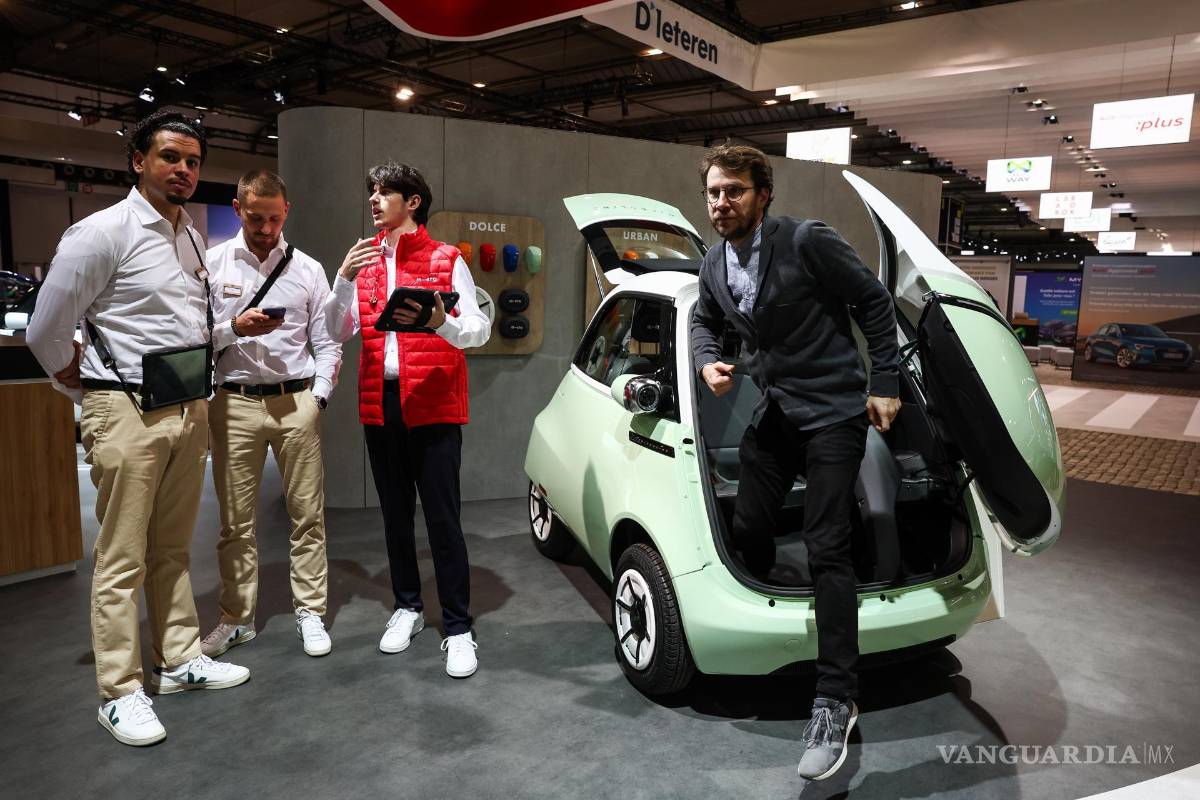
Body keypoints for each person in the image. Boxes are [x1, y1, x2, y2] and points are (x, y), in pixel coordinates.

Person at [26, 111, 250, 747]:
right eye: (170, 157)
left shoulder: (191, 238)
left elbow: (186, 328)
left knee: (173, 547)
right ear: (138, 160)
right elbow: (46, 330)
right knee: (122, 557)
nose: (183, 170)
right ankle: (120, 691)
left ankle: (178, 660)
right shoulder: (100, 234)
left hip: (187, 405)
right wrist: (81, 384)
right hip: (125, 409)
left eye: (193, 161)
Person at [689, 144, 901, 781]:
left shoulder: (807, 241)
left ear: (764, 194)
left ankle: (837, 698)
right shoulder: (713, 262)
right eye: (713, 193)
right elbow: (703, 321)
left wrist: (884, 380)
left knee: (826, 543)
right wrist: (706, 359)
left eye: (734, 192)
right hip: (777, 410)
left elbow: (873, 303)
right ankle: (765, 608)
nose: (721, 203)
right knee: (749, 520)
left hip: (835, 410)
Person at [324, 162, 490, 678]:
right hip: (381, 400)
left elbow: (479, 330)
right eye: (371, 191)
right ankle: (408, 607)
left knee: (443, 516)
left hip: (435, 402)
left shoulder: (446, 258)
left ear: (413, 201)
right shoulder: (365, 264)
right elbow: (335, 330)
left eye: (384, 192)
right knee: (395, 513)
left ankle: (459, 628)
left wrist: (443, 322)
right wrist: (342, 279)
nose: (374, 200)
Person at [200, 169, 342, 660]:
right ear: (238, 209)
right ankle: (236, 618)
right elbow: (197, 338)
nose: (265, 228)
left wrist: (317, 399)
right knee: (235, 523)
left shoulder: (309, 269)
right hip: (233, 402)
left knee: (308, 516)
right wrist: (233, 329)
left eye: (274, 219)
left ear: (287, 213)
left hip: (294, 403)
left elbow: (327, 342)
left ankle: (310, 612)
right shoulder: (212, 264)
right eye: (256, 218)